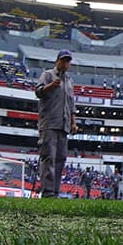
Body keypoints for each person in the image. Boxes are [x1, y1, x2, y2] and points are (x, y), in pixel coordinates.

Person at [35, 49, 77, 198]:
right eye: (63, 60)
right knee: (49, 157)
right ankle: (48, 192)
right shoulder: (47, 75)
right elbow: (38, 92)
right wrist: (51, 85)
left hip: (64, 125)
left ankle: (56, 191)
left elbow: (71, 104)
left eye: (68, 61)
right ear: (57, 60)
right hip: (49, 123)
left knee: (60, 158)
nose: (66, 63)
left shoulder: (70, 81)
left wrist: (73, 122)